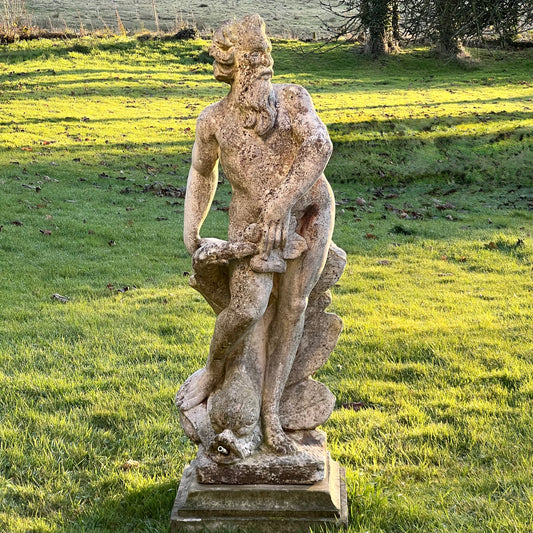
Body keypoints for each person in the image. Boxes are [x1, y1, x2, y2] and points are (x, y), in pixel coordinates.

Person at [176, 14, 335, 455]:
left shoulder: (293, 98)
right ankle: (213, 369)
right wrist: (193, 232)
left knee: (293, 309)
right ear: (232, 68)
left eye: (265, 55)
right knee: (247, 309)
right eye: (252, 58)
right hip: (249, 226)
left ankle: (272, 415)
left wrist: (284, 199)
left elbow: (319, 146)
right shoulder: (214, 121)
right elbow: (201, 172)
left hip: (308, 211)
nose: (264, 64)